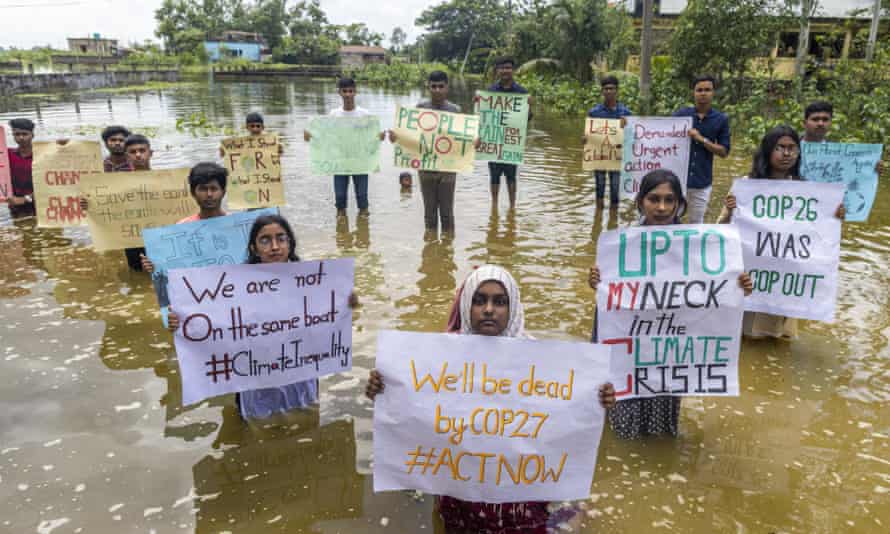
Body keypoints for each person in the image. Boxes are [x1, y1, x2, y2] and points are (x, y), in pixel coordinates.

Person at [366, 264, 616, 531]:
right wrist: (383, 391)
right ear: (466, 306)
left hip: (522, 503)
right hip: (461, 502)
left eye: (499, 301)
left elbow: (565, 424)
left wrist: (597, 400)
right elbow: (415, 421)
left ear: (513, 308)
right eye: (479, 300)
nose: (488, 309)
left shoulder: (542, 364)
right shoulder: (437, 362)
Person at [588, 170, 753, 439]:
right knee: (622, 430)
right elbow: (609, 312)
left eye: (669, 199)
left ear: (680, 204)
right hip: (631, 356)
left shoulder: (699, 248)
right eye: (654, 199)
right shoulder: (620, 248)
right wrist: (597, 281)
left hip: (668, 358)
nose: (662, 207)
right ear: (641, 202)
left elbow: (713, 299)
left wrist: (739, 286)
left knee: (662, 434)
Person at [168, 214, 358, 420]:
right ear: (254, 248)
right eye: (265, 240)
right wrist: (182, 322)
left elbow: (326, 325)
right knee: (257, 433)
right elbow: (214, 328)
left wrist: (347, 303)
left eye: (281, 238)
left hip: (300, 377)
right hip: (255, 382)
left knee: (305, 426)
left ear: (290, 243)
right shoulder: (234, 288)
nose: (274, 246)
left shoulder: (313, 282)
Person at [717, 125, 844, 340]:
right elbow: (721, 231)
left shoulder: (807, 191)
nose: (786, 154)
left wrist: (835, 216)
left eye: (792, 148)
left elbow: (818, 237)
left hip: (785, 279)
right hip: (753, 276)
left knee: (779, 338)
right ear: (768, 151)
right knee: (747, 334)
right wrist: (730, 210)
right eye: (780, 147)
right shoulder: (747, 187)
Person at [389, 71, 479, 237]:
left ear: (447, 88)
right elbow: (410, 136)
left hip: (448, 170)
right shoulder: (420, 108)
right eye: (434, 86)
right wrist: (396, 138)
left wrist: (474, 143)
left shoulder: (455, 110)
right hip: (425, 169)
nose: (437, 90)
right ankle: (431, 250)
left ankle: (447, 248)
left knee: (447, 212)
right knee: (429, 212)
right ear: (428, 87)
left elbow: (463, 141)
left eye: (441, 86)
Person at [304, 78, 383, 217]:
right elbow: (325, 137)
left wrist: (380, 137)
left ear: (355, 92)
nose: (348, 94)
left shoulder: (365, 115)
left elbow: (373, 138)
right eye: (344, 91)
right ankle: (342, 229)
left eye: (350, 91)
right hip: (340, 162)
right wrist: (311, 136)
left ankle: (363, 225)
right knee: (340, 198)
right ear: (339, 92)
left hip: (360, 161)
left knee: (362, 197)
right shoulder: (334, 115)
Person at [139, 162, 230, 273]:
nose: (209, 194)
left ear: (223, 192)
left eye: (214, 188)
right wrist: (153, 268)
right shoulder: (181, 229)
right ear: (193, 192)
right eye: (203, 189)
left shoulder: (237, 226)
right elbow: (170, 268)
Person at [673, 75, 731, 224]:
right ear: (694, 92)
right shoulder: (681, 115)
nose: (703, 93)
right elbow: (658, 133)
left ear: (713, 93)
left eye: (707, 90)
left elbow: (724, 152)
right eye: (699, 90)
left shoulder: (721, 119)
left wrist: (702, 139)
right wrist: (628, 125)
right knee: (670, 220)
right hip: (677, 180)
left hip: (702, 182)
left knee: (696, 223)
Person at [486, 56, 532, 209]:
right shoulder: (490, 91)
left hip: (511, 140)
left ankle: (512, 206)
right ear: (498, 70)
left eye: (508, 68)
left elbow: (527, 119)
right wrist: (479, 104)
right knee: (494, 176)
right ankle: (494, 205)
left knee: (511, 176)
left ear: (513, 70)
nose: (505, 70)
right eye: (502, 68)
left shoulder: (522, 92)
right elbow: (484, 117)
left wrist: (529, 107)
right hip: (494, 139)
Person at [586, 75, 633, 210]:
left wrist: (627, 126)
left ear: (616, 91)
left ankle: (613, 215)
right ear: (602, 91)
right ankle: (599, 214)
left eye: (611, 88)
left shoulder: (625, 113)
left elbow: (631, 138)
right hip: (599, 155)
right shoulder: (594, 112)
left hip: (617, 156)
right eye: (605, 89)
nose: (608, 91)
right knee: (599, 186)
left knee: (615, 188)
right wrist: (585, 139)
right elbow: (588, 136)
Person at [801, 100, 884, 175]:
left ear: (831, 123)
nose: (820, 123)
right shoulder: (792, 148)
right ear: (804, 123)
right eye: (815, 119)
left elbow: (851, 175)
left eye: (825, 119)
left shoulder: (839, 153)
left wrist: (872, 169)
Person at [6, 118, 36, 218]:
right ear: (13, 136)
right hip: (16, 207)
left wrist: (25, 199)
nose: (21, 137)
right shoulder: (7, 155)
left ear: (32, 135)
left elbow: (50, 186)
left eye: (25, 134)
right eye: (17, 134)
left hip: (41, 205)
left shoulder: (42, 155)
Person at [219, 112, 284, 157]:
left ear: (263, 127)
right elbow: (225, 157)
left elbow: (277, 157)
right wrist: (223, 150)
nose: (255, 129)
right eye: (252, 126)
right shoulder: (241, 142)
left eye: (258, 126)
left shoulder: (270, 142)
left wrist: (280, 149)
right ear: (247, 127)